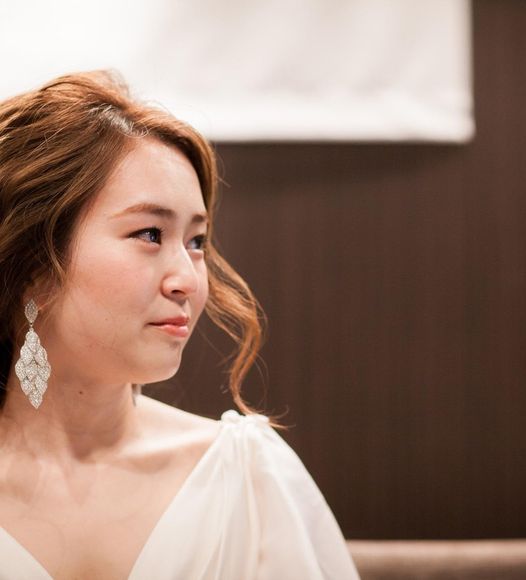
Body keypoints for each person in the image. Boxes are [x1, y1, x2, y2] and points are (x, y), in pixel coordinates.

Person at [0, 70, 359, 579]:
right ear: (33, 265)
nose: (188, 280)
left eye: (196, 242)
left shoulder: (245, 478)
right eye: (150, 234)